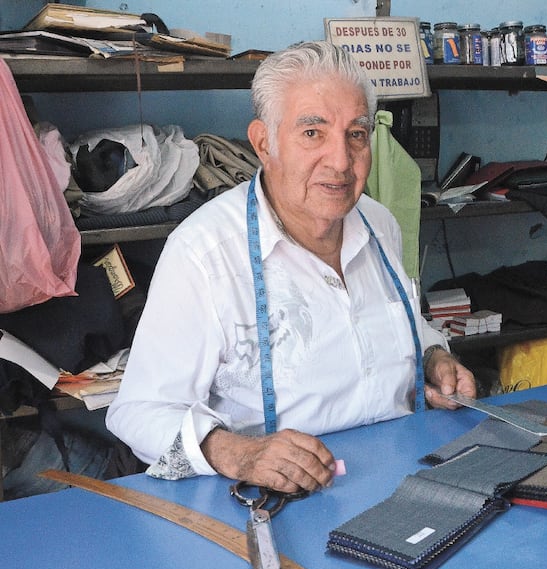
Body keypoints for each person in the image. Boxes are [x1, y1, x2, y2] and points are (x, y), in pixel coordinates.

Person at [106, 40, 476, 493]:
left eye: (356, 134)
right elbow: (138, 412)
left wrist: (434, 357)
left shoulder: (379, 224)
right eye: (312, 133)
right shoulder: (205, 254)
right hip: (282, 502)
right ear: (264, 142)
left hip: (401, 477)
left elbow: (402, 323)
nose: (341, 161)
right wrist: (240, 453)